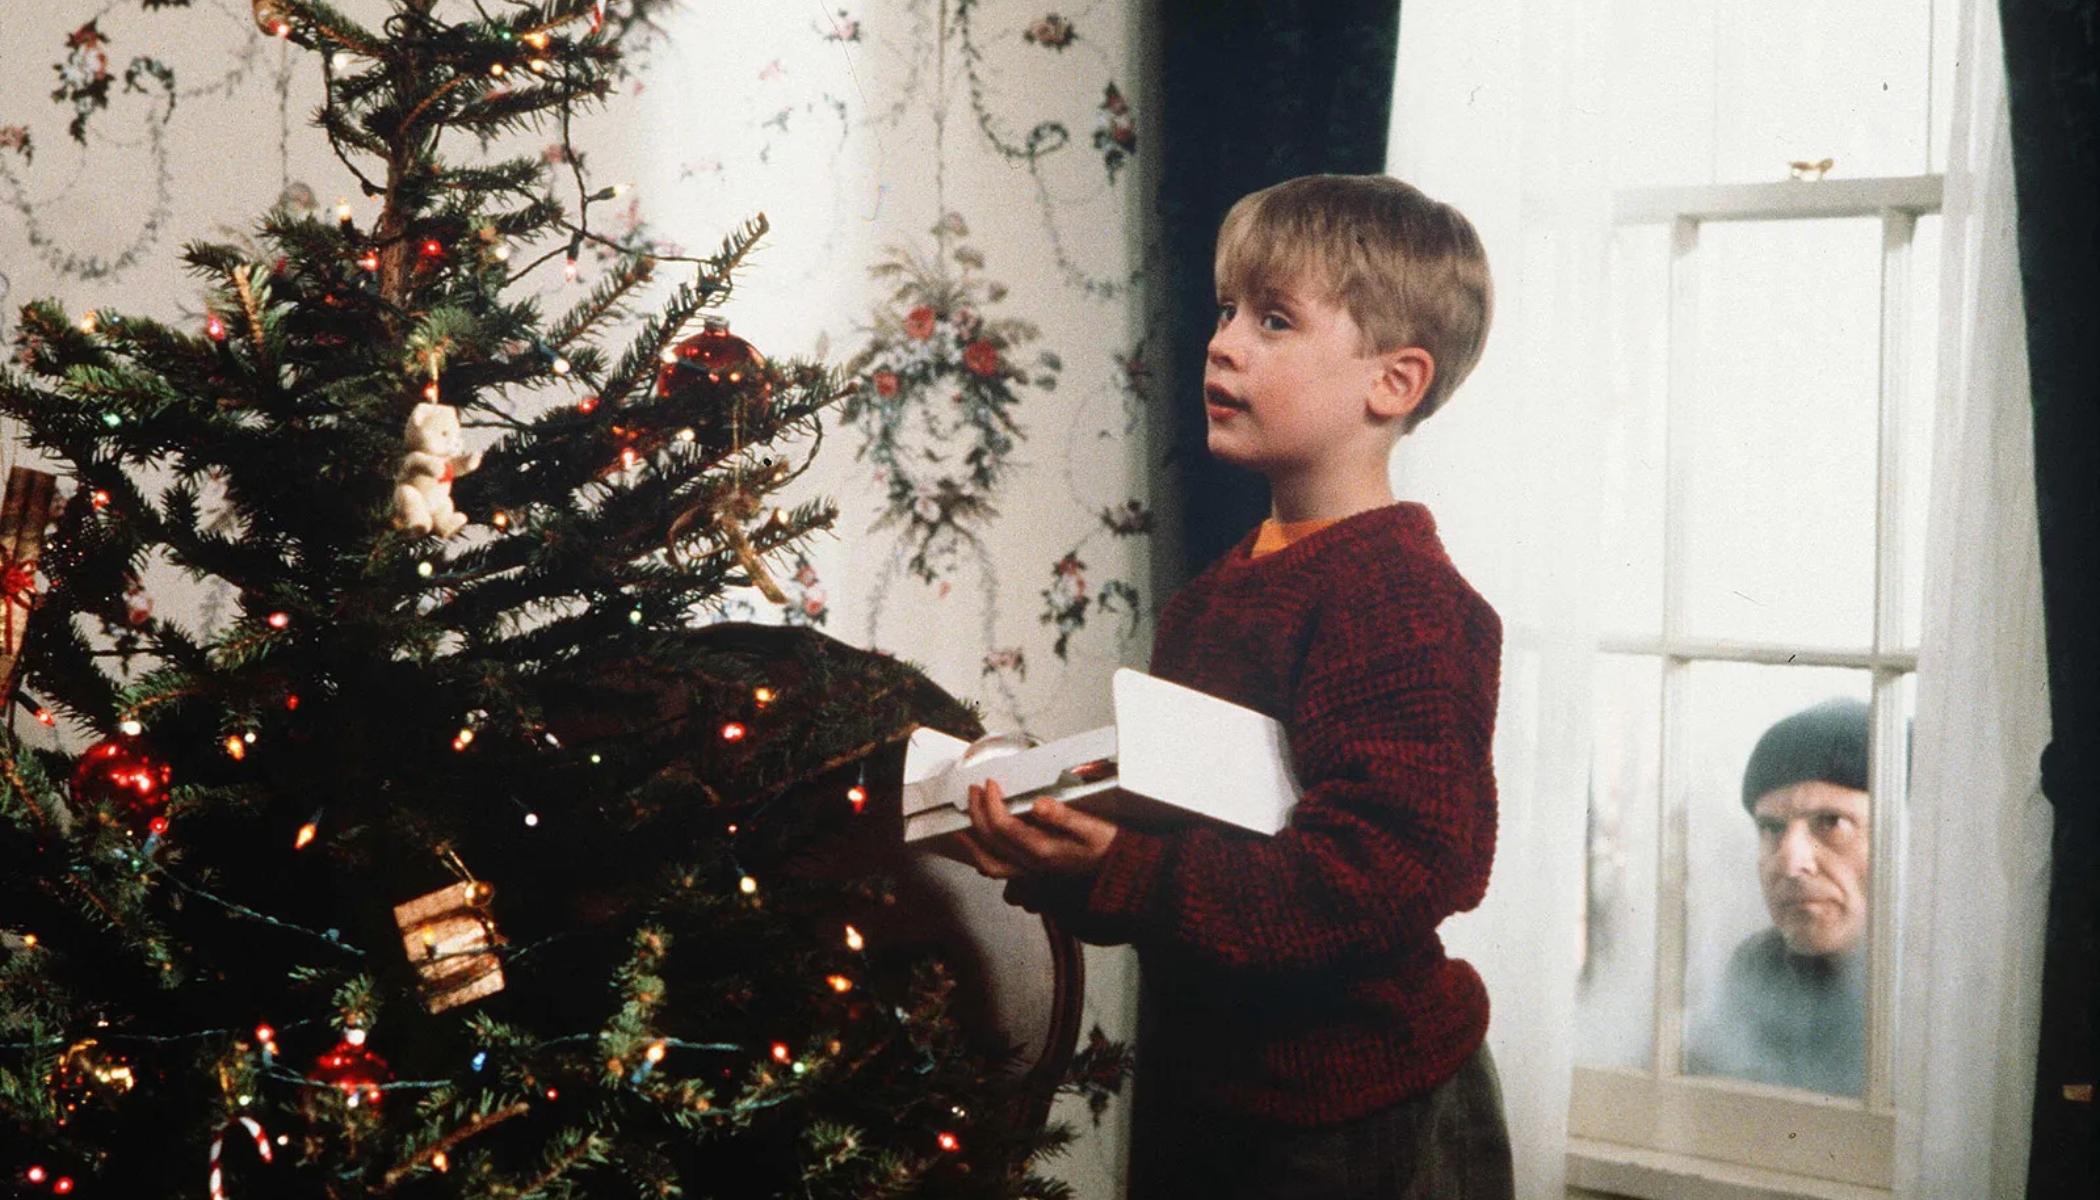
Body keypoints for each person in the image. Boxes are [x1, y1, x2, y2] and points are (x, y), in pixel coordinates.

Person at [953, 174, 1512, 1199]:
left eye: (1275, 320)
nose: (1223, 343)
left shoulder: (1404, 600)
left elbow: (1386, 872)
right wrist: (1064, 855)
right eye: (1225, 311)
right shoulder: (1215, 596)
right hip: (1210, 1100)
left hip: (1360, 1121)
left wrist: (1126, 871)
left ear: (1393, 383)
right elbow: (1191, 868)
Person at [1686, 697, 1872, 1096]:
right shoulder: (1758, 964)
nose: (1791, 864)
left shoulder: (1935, 986)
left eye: (1831, 823)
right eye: (1771, 827)